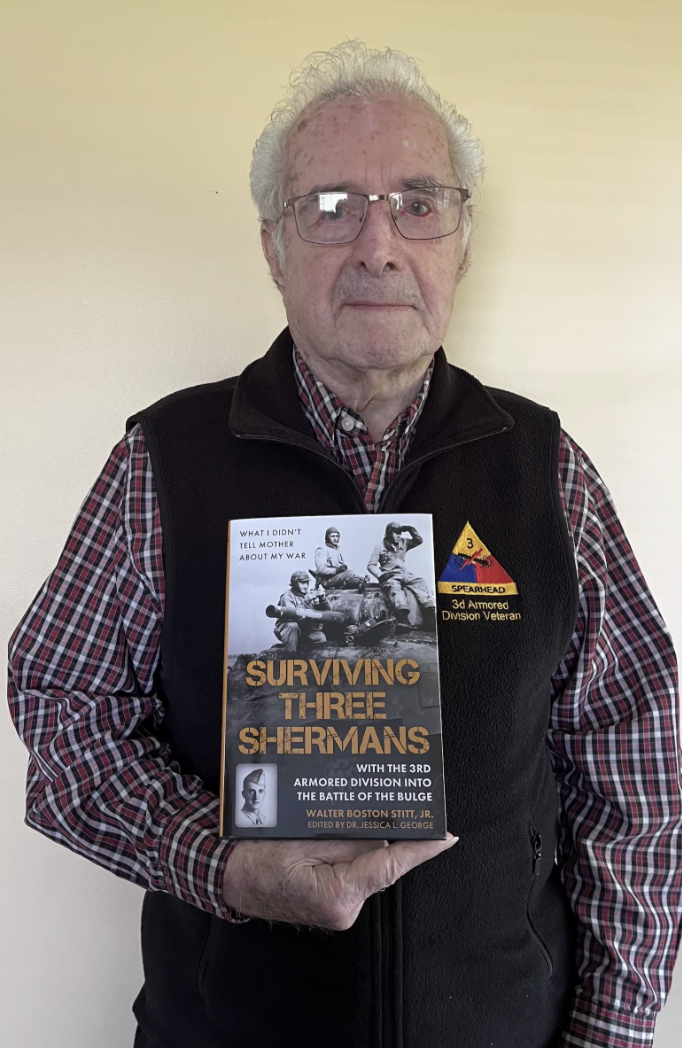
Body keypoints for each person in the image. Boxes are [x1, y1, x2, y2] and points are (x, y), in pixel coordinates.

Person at [7, 40, 681, 1048]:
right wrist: (222, 864)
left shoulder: (548, 470)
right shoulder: (163, 461)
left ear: (461, 241)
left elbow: (640, 772)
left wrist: (607, 1034)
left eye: (418, 203)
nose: (378, 245)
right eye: (330, 206)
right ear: (272, 247)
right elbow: (65, 715)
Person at [367, 521, 435, 626]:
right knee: (395, 588)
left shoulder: (404, 542)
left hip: (404, 573)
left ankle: (430, 615)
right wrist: (381, 575)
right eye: (396, 533)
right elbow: (371, 565)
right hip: (389, 575)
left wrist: (411, 530)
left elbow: (419, 540)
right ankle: (402, 618)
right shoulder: (379, 546)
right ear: (389, 533)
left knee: (421, 582)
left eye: (400, 533)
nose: (398, 536)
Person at [271, 569, 330, 652]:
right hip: (287, 628)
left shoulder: (308, 595)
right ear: (295, 583)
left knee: (320, 638)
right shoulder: (287, 597)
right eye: (302, 583)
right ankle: (289, 655)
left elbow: (328, 611)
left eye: (307, 583)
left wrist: (322, 600)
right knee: (293, 626)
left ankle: (301, 649)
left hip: (304, 627)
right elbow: (292, 615)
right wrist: (306, 601)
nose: (305, 586)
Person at [312, 525, 365, 590]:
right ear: (327, 537)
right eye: (332, 536)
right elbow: (321, 569)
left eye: (337, 536)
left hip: (335, 577)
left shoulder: (336, 549)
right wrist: (337, 570)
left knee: (350, 573)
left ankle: (361, 580)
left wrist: (342, 567)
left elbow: (338, 564)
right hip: (327, 580)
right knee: (350, 573)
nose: (335, 538)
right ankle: (359, 582)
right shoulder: (322, 550)